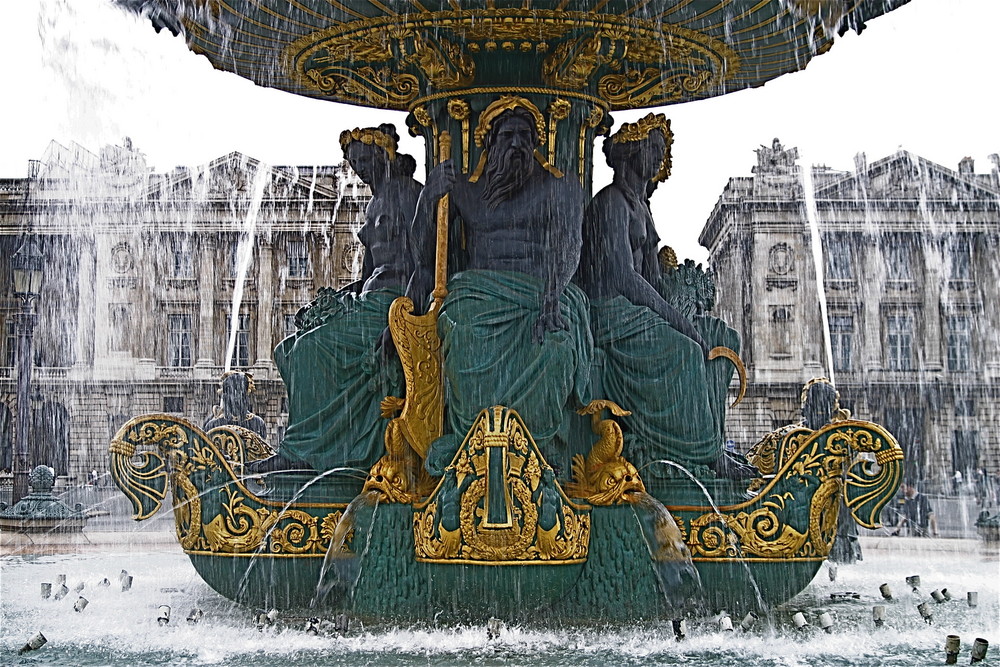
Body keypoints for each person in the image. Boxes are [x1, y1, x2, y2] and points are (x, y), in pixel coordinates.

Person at [408, 97, 591, 465]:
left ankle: (538, 456)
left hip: (543, 291)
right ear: (489, 144)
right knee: (462, 335)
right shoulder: (463, 189)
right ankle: (473, 449)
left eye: (525, 137)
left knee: (555, 347)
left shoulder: (562, 187)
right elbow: (422, 254)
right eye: (507, 136)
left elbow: (571, 245)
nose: (517, 145)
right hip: (478, 294)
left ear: (537, 144)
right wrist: (428, 199)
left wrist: (552, 298)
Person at [574, 113, 751, 479]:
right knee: (685, 350)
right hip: (609, 312)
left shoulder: (641, 209)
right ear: (631, 152)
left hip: (633, 310)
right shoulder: (611, 204)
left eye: (662, 151)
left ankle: (714, 440)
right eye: (654, 148)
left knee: (720, 336)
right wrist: (677, 321)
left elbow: (654, 283)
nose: (659, 158)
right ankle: (700, 455)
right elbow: (623, 276)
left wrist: (687, 314)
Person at [270, 124, 422, 473]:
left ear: (386, 155)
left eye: (366, 160)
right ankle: (315, 444)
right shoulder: (375, 203)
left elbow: (425, 264)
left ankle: (304, 453)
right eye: (355, 164)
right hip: (369, 299)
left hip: (393, 303)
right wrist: (330, 300)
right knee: (288, 348)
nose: (361, 169)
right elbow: (366, 276)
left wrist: (402, 322)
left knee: (312, 349)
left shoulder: (410, 194)